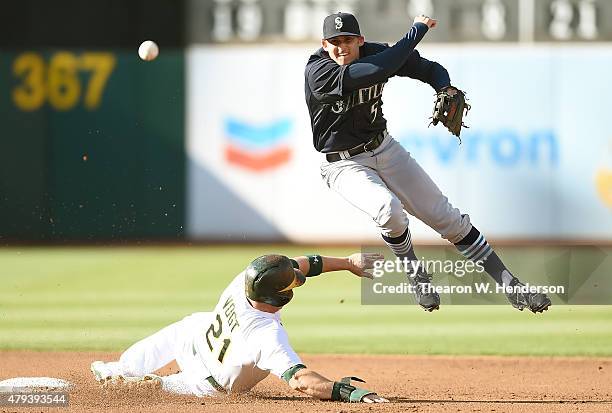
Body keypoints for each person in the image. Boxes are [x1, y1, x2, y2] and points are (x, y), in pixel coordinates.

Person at [304, 12, 551, 313]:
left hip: (384, 147)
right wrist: (417, 30)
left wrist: (443, 87)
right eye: (334, 42)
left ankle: (511, 286)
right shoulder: (319, 71)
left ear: (360, 40)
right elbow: (375, 70)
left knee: (448, 219)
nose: (341, 47)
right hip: (342, 164)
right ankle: (416, 274)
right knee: (388, 210)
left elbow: (429, 69)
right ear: (324, 44)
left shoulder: (377, 52)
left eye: (347, 40)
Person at [90, 252, 388, 403]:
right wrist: (349, 393)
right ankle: (150, 385)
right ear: (282, 296)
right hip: (206, 384)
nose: (297, 275)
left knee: (187, 326)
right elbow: (301, 381)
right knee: (162, 389)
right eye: (292, 280)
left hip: (196, 338)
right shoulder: (267, 336)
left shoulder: (244, 280)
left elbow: (302, 263)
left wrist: (349, 262)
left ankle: (119, 368)